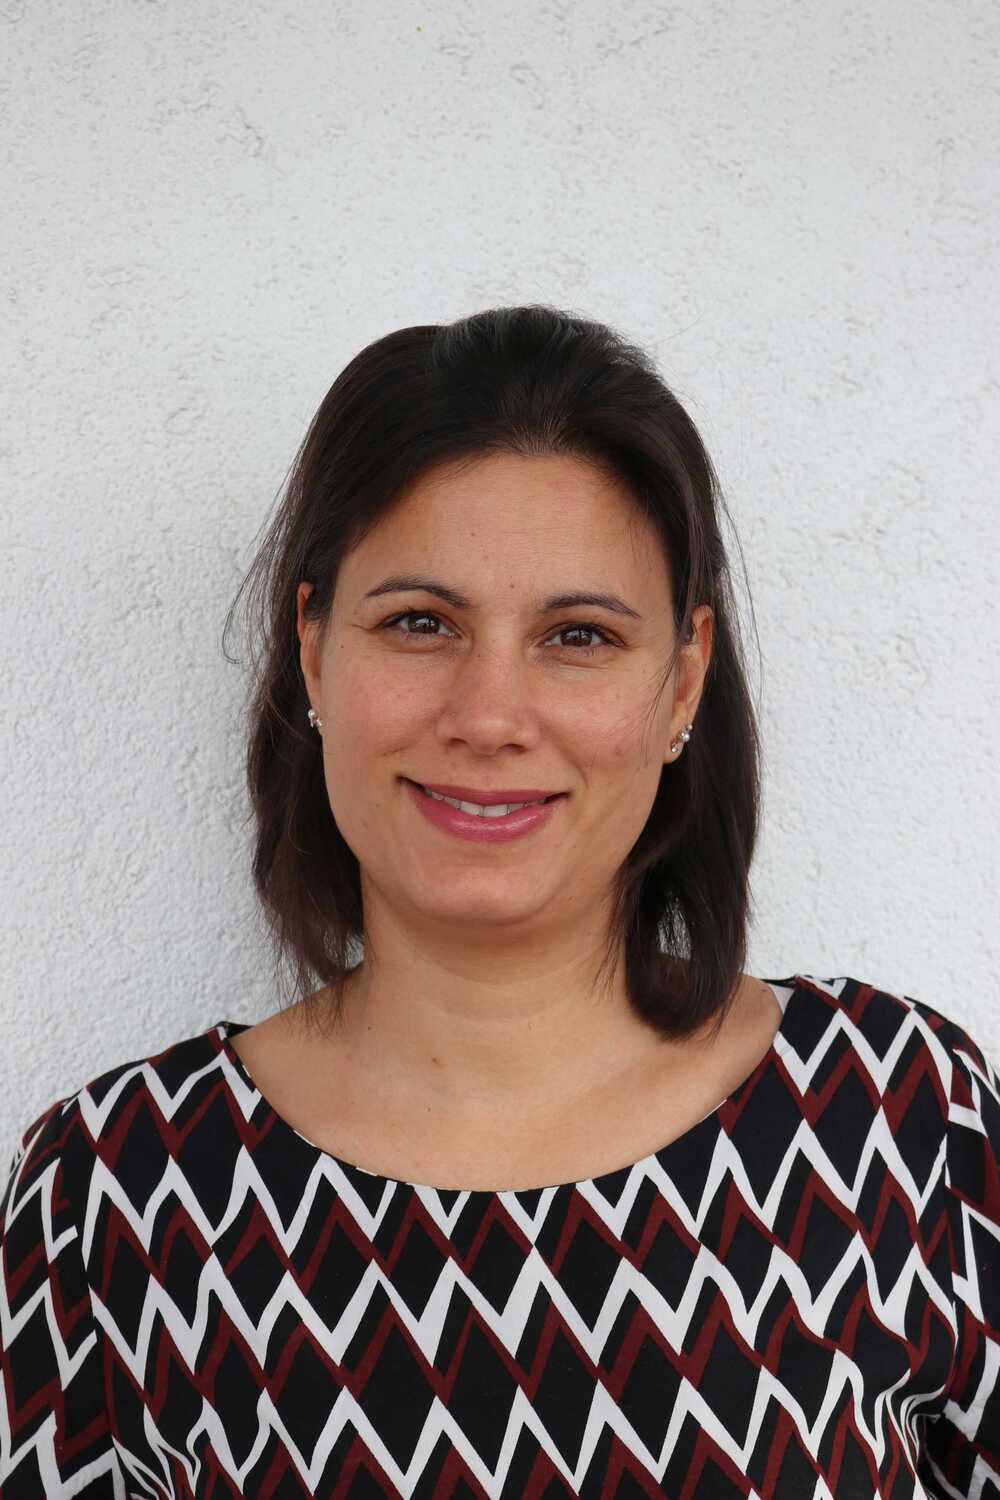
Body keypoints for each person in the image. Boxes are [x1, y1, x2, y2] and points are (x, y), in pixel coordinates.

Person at [1, 305, 997, 1499]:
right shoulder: (119, 1190)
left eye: (578, 635)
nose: (487, 716)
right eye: (419, 623)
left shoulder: (895, 1118)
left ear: (682, 681)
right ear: (313, 650)